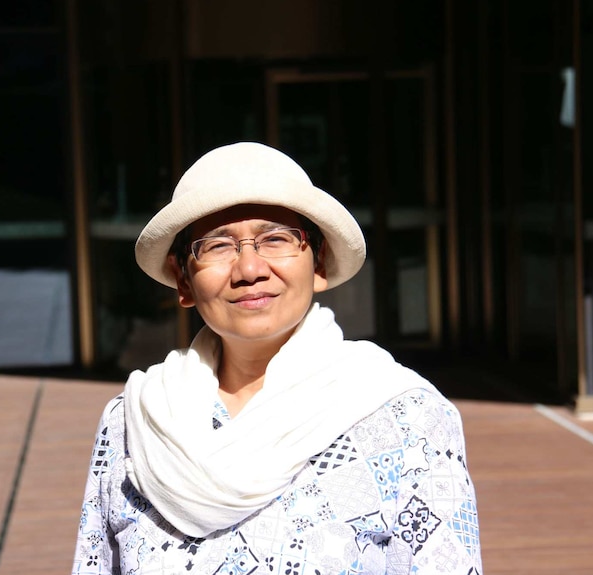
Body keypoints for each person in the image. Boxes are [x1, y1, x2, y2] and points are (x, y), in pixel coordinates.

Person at [72, 142, 482, 575]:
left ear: (319, 261)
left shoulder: (405, 417)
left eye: (275, 239)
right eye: (217, 246)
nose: (249, 269)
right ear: (183, 280)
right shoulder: (135, 421)